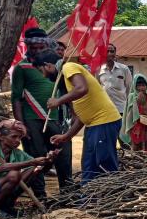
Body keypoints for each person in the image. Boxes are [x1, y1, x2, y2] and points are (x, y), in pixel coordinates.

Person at [32, 50, 122, 184]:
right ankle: (87, 200)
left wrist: (58, 101)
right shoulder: (68, 85)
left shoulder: (69, 67)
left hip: (104, 122)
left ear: (48, 65)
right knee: (88, 165)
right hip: (93, 125)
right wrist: (67, 136)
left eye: (41, 71)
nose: (44, 76)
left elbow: (82, 88)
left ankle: (113, 197)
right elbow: (82, 116)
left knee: (104, 163)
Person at [10, 28, 73, 196]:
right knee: (36, 158)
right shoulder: (21, 68)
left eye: (40, 48)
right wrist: (21, 125)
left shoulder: (58, 66)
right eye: (33, 48)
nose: (37, 51)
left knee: (63, 156)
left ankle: (67, 194)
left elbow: (67, 92)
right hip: (32, 120)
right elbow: (16, 98)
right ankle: (40, 195)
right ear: (27, 47)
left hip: (57, 119)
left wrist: (72, 115)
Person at [0, 120, 58, 219]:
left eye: (20, 137)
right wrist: (32, 162)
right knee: (14, 175)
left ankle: (4, 206)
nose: (18, 141)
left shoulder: (17, 153)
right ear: (1, 137)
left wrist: (49, 160)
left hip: (0, 191)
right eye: (14, 137)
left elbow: (39, 169)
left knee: (33, 169)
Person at [121, 75, 147, 157]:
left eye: (143, 85)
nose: (141, 88)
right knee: (136, 144)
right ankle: (137, 161)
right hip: (136, 126)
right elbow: (128, 113)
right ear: (135, 86)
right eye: (139, 85)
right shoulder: (132, 97)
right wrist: (136, 101)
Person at [98, 43, 132, 116]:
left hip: (121, 109)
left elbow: (130, 88)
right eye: (107, 51)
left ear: (115, 53)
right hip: (105, 109)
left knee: (120, 127)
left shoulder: (124, 69)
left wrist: (130, 106)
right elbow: (97, 88)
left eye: (112, 51)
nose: (110, 53)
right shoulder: (99, 69)